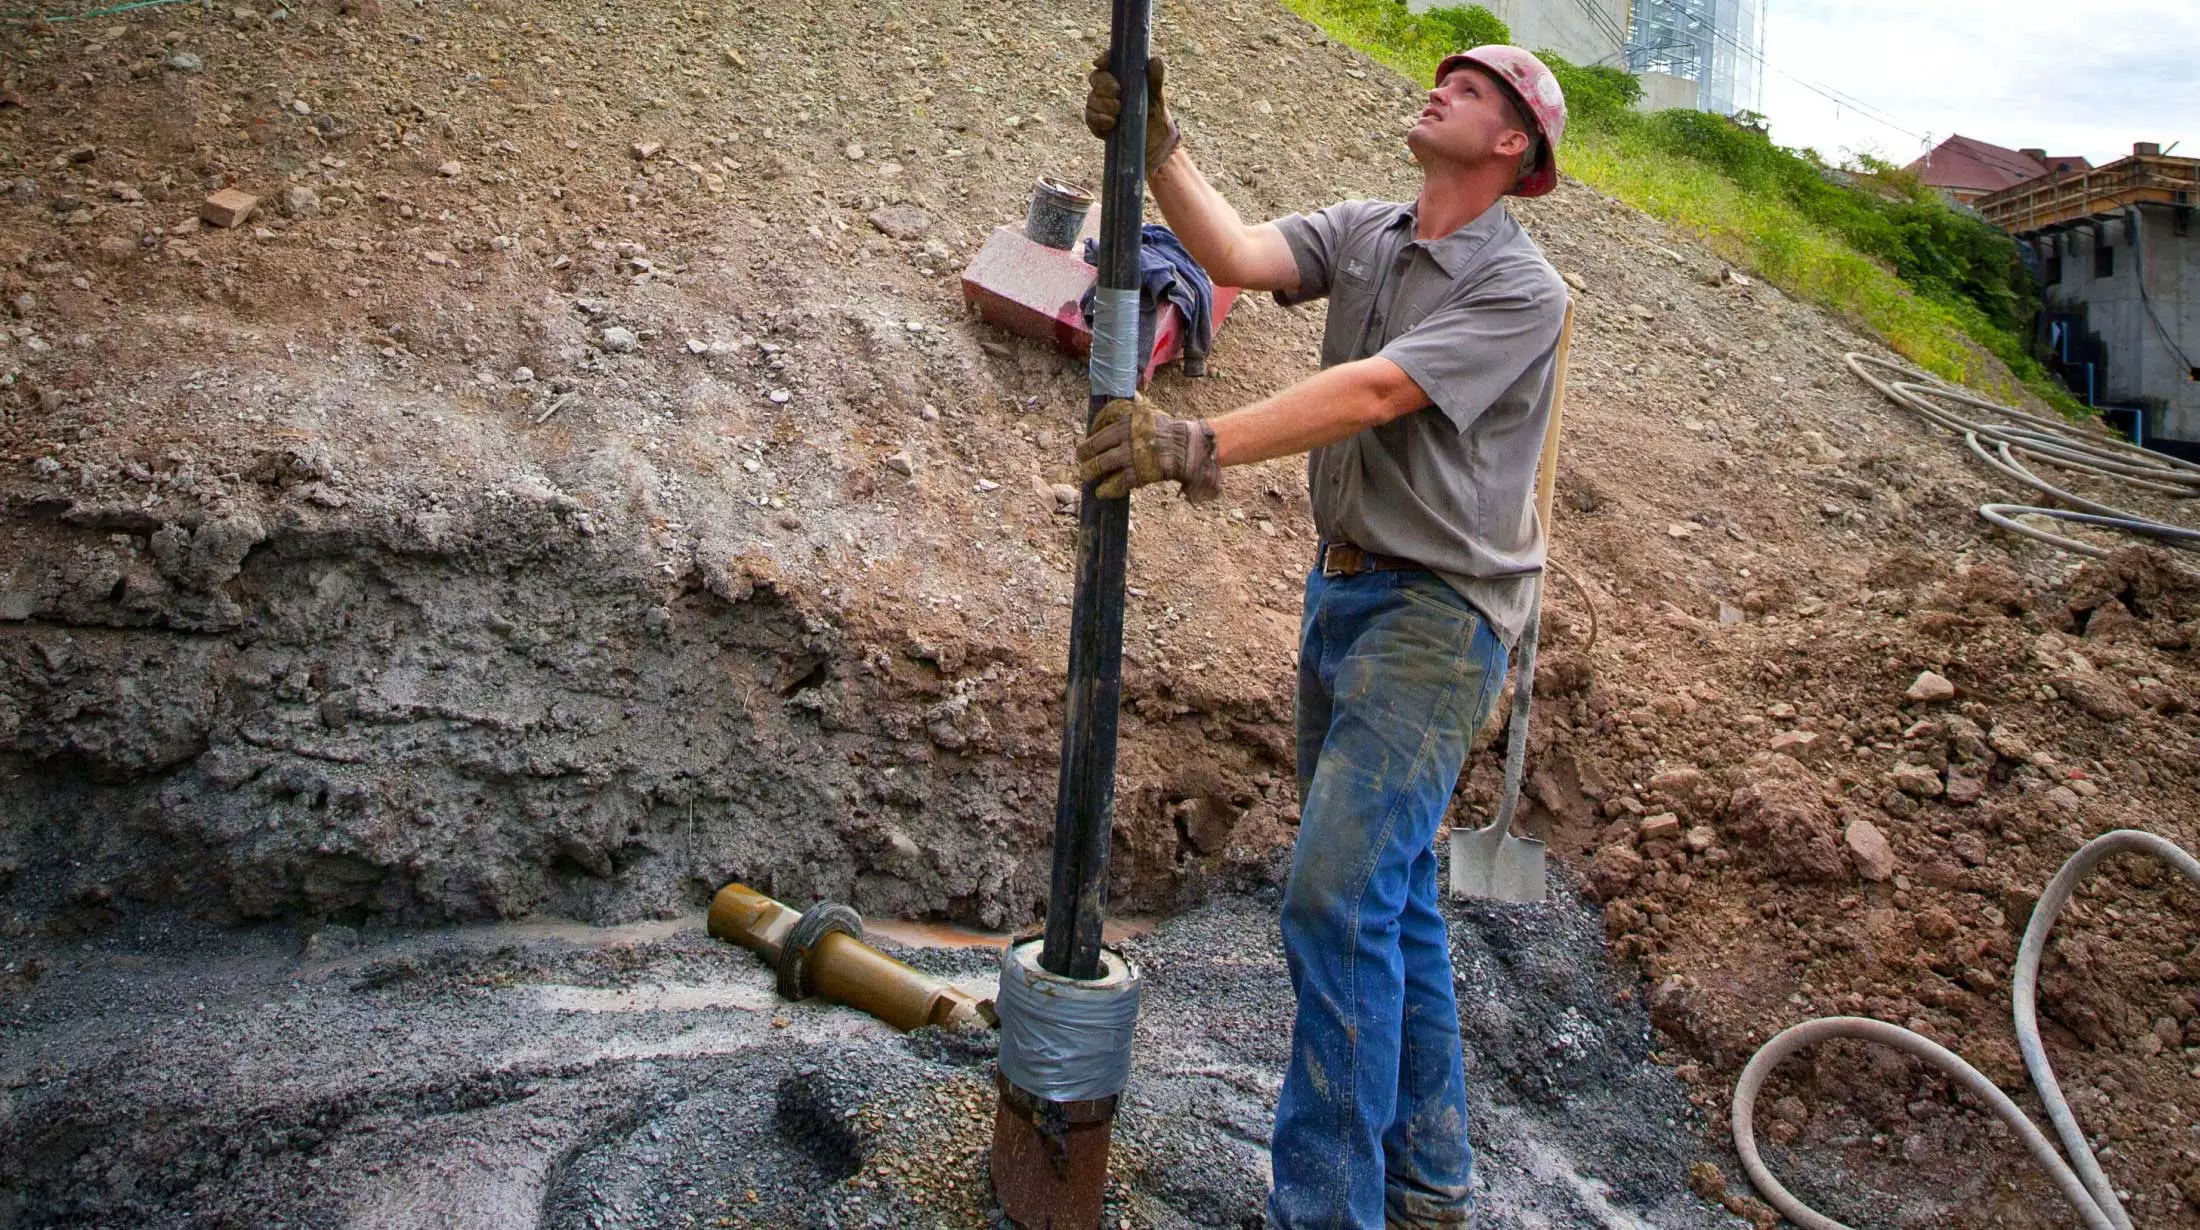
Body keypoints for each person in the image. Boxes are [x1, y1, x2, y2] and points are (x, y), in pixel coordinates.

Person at [1076, 46, 1572, 1230]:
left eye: (1474, 90)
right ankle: (1430, 1180)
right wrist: (1160, 145)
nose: (1440, 88)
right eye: (1445, 77)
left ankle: (1327, 1211)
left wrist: (1193, 443)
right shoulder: (1370, 230)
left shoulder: (1520, 289)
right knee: (1391, 898)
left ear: (1513, 145)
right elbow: (1237, 255)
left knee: (1332, 899)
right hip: (1345, 594)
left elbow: (1374, 393)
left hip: (1440, 619)